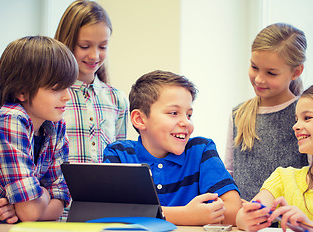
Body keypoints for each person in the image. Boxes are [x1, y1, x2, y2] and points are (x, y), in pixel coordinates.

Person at [103, 70, 242, 226]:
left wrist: (147, 213)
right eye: (174, 113)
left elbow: (233, 210)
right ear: (140, 119)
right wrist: (185, 215)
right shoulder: (119, 154)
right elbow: (109, 212)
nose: (186, 123)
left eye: (189, 115)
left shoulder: (201, 151)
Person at [236, 82, 313, 232]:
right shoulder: (283, 177)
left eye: (307, 118)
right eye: (296, 119)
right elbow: (242, 216)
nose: (296, 126)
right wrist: (246, 218)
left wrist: (309, 227)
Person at [0, 36, 78, 223]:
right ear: (22, 91)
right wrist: (46, 196)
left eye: (68, 87)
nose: (67, 96)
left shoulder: (56, 125)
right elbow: (30, 212)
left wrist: (24, 206)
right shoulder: (10, 119)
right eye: (56, 88)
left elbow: (60, 203)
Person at [224, 23, 309, 201]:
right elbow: (229, 172)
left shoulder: (305, 114)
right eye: (254, 67)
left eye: (271, 73)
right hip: (245, 222)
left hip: (289, 222)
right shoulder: (239, 114)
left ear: (296, 72)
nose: (259, 79)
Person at [54, 0, 128, 163]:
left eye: (102, 47)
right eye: (84, 46)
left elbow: (120, 161)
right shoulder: (50, 96)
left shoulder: (117, 99)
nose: (95, 55)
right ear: (67, 42)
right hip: (59, 189)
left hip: (105, 189)